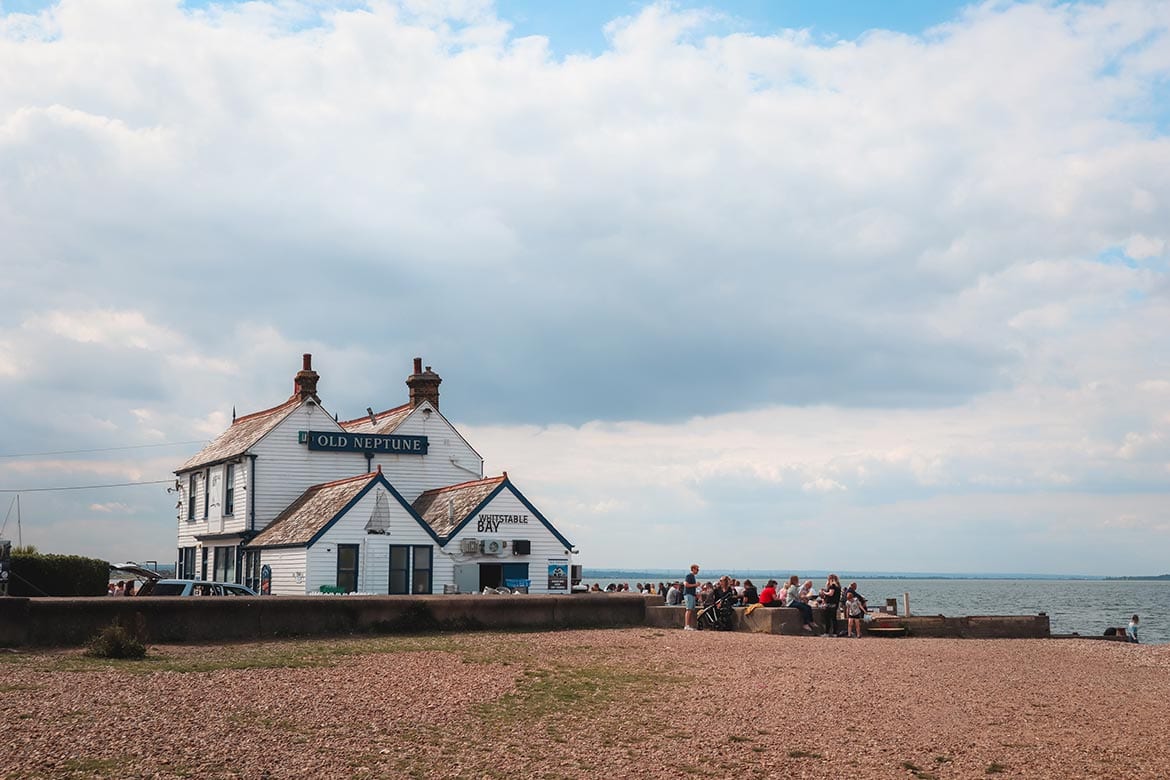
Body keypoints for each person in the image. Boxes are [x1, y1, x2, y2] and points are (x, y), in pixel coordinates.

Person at [683, 564, 700, 631]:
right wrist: (696, 585)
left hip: (692, 595)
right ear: (693, 569)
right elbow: (686, 584)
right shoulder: (689, 576)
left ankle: (689, 625)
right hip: (689, 594)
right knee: (689, 610)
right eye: (697, 569)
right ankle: (687, 625)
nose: (698, 571)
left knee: (691, 610)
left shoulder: (692, 576)